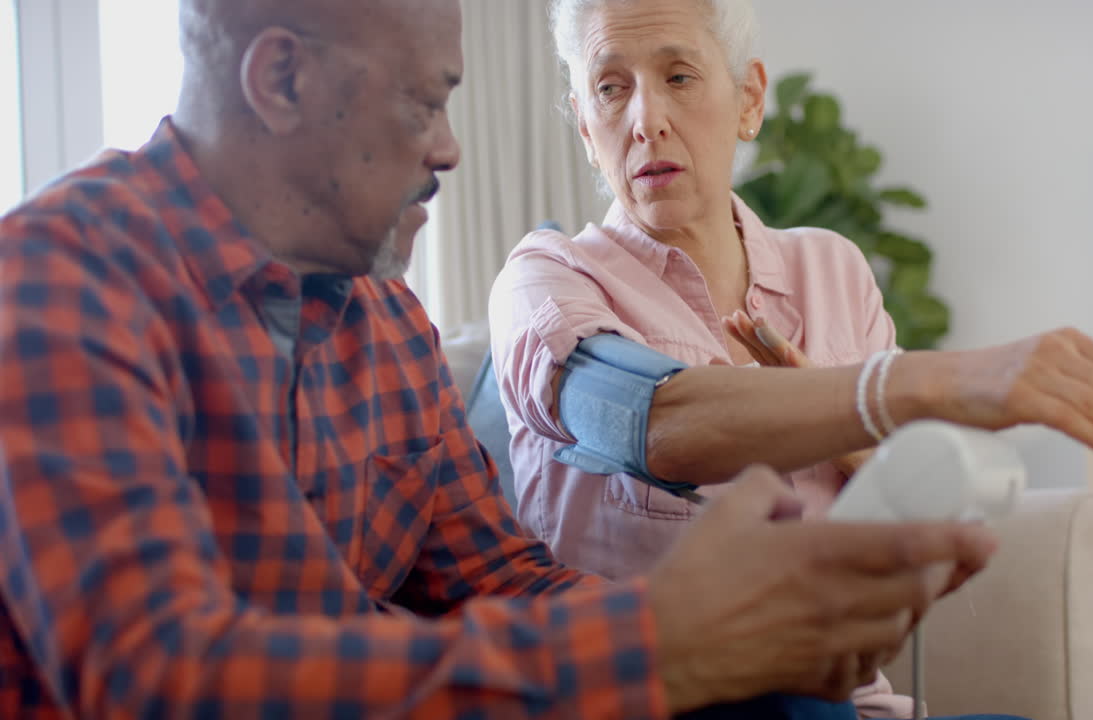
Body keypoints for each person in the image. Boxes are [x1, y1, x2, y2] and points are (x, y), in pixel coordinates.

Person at [0, 0, 1011, 718]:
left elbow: (505, 580)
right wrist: (660, 644)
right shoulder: (62, 276)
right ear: (281, 78)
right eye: (421, 101)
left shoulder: (386, 323)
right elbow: (160, 674)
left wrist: (742, 630)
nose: (447, 149)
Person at [488, 0, 1093, 716]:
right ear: (584, 126)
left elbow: (941, 524)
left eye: (680, 76)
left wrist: (837, 421)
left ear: (749, 99)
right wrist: (890, 392)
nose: (645, 118)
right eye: (611, 87)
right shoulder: (547, 278)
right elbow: (642, 419)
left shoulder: (832, 270)